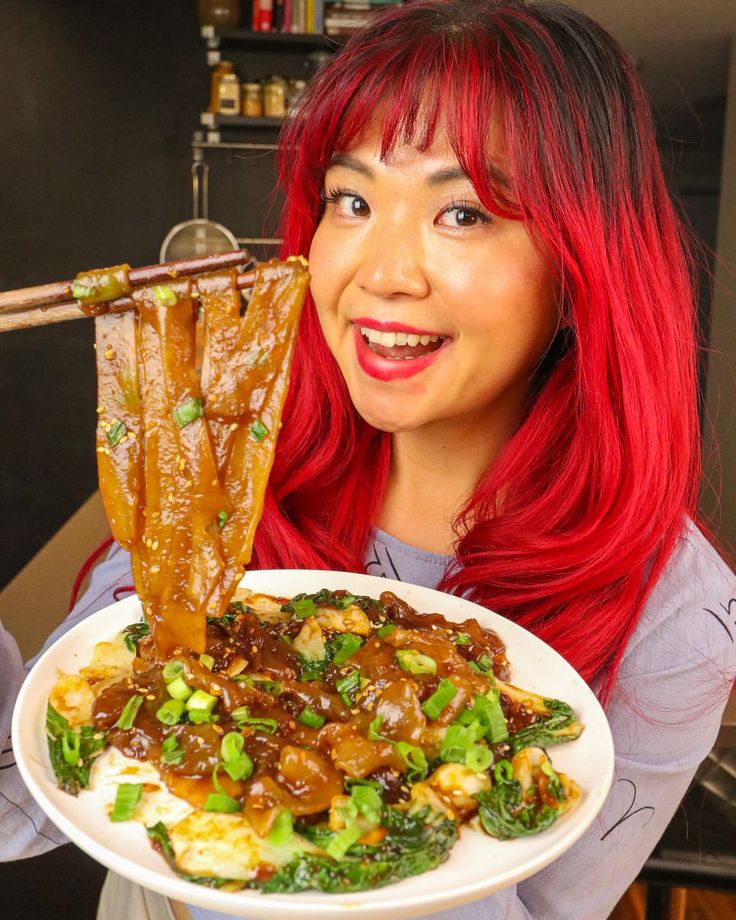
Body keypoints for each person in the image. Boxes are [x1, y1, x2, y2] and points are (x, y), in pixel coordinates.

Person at [2, 1, 736, 918]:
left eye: (463, 212)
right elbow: (22, 803)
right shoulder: (221, 472)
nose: (380, 270)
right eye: (351, 201)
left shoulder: (682, 612)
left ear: (583, 266)